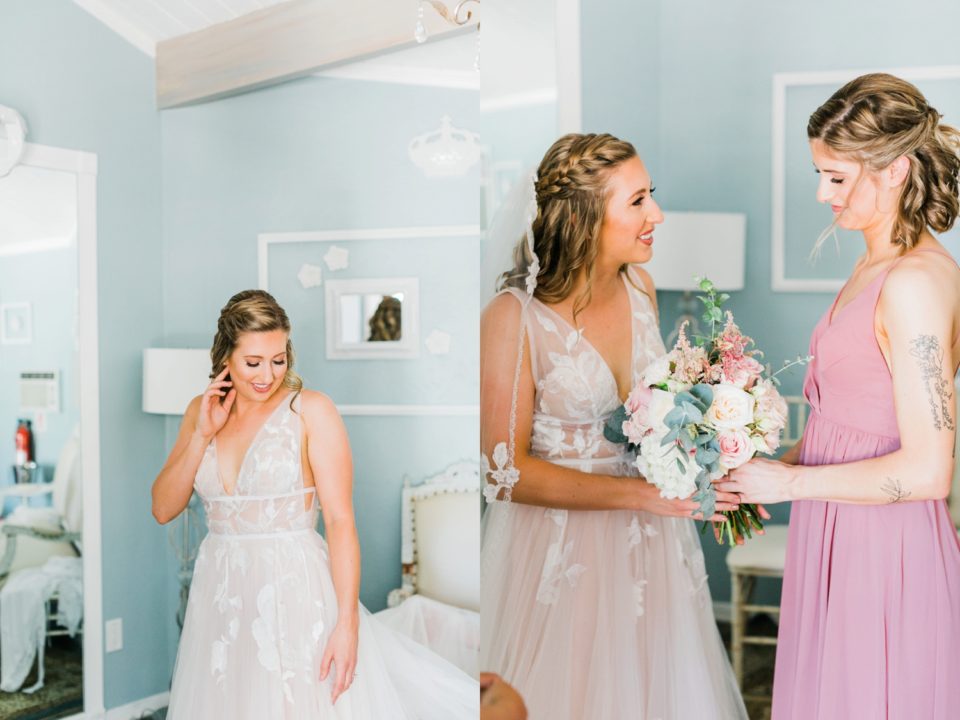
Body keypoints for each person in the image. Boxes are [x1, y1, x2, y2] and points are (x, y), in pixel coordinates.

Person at [480, 133, 749, 719]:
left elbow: (656, 411)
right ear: (583, 218)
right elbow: (504, 474)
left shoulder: (640, 289)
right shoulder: (514, 318)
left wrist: (705, 445)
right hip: (563, 549)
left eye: (651, 195)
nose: (657, 214)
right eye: (637, 201)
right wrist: (642, 496)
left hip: (654, 545)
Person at [717, 73, 960, 719]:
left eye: (836, 177)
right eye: (819, 174)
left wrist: (787, 487)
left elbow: (929, 472)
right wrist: (770, 468)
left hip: (883, 548)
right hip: (834, 525)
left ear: (896, 170)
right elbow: (854, 422)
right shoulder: (871, 264)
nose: (822, 193)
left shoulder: (914, 282)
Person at [152, 290, 476, 719]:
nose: (268, 374)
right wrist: (200, 436)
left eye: (279, 358)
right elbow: (163, 508)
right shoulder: (201, 411)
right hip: (220, 598)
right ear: (225, 357)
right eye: (254, 362)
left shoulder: (310, 412)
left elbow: (341, 522)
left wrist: (347, 625)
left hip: (296, 595)